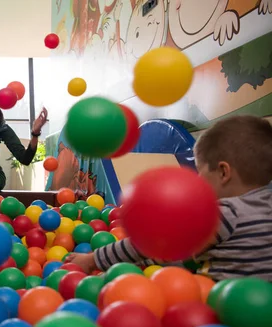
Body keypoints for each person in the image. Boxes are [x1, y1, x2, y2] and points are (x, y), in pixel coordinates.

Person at [65, 115, 272, 282]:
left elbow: (152, 243)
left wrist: (93, 260)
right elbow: (179, 254)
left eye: (200, 172)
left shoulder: (226, 213)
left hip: (224, 310)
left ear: (223, 172)